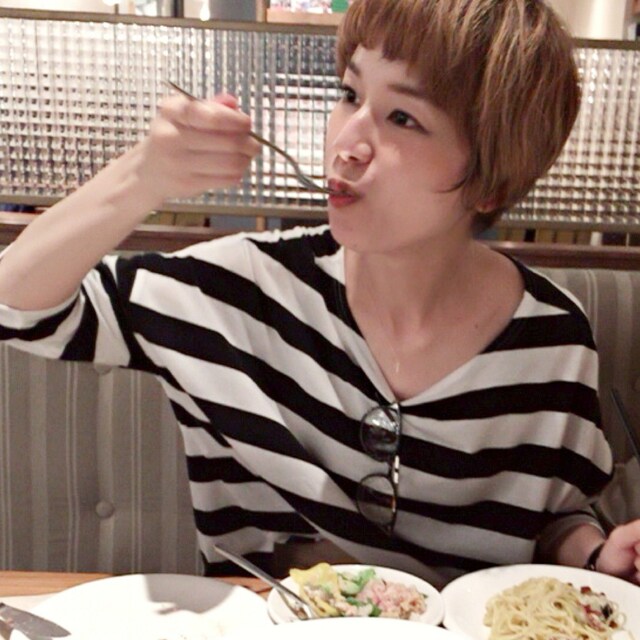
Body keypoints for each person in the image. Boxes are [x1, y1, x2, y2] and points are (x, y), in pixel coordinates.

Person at [0, 0, 639, 588]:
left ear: (490, 182)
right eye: (350, 94)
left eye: (403, 118)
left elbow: (557, 515)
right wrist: (144, 175)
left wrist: (598, 558)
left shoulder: (551, 335)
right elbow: (19, 309)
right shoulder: (239, 291)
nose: (347, 144)